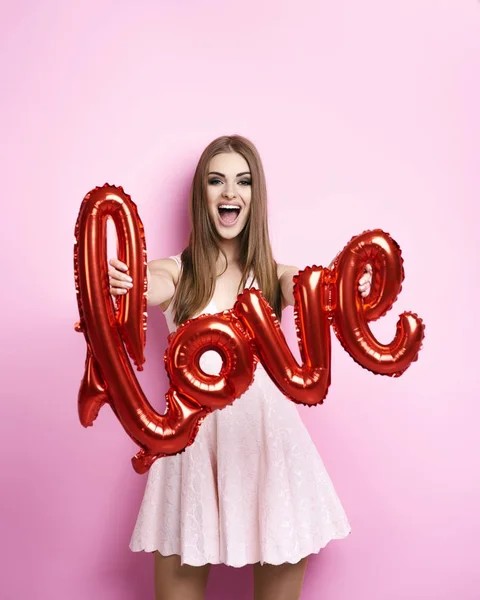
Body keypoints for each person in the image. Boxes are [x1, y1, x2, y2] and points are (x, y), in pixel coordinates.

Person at [108, 135, 372, 600]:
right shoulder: (177, 271)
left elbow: (312, 285)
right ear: (201, 195)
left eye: (243, 181)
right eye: (217, 181)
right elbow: (151, 283)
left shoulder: (272, 274)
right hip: (190, 452)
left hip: (271, 451)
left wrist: (346, 282)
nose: (230, 192)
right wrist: (127, 283)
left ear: (256, 196)